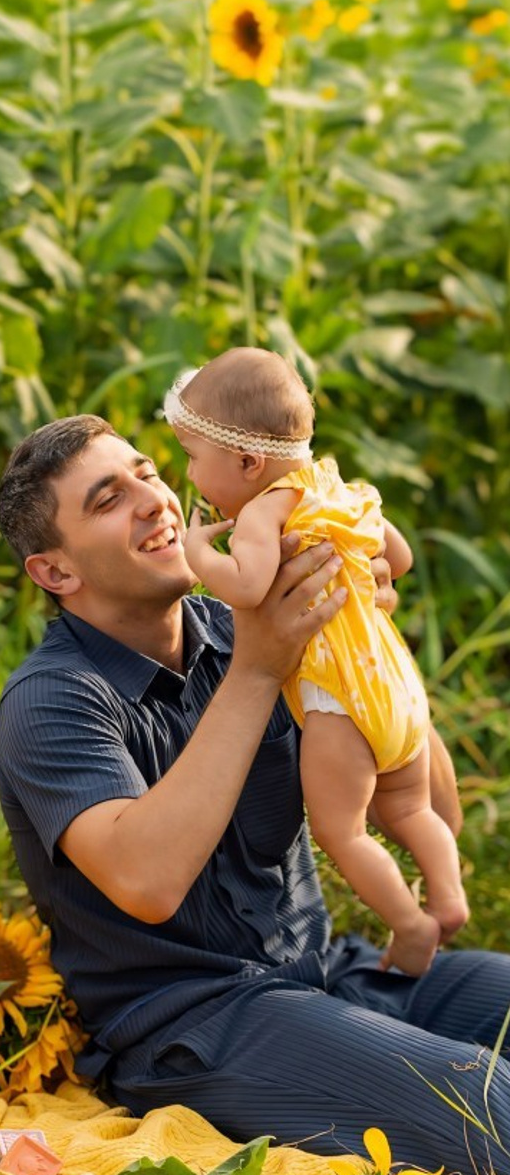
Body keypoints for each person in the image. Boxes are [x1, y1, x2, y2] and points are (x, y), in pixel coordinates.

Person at [0, 413, 510, 1175]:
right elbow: (148, 880)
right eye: (108, 498)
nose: (154, 499)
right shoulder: (52, 701)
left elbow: (432, 809)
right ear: (56, 573)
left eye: (148, 472)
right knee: (488, 1109)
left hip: (330, 974)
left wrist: (370, 655)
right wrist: (260, 671)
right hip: (196, 1027)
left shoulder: (241, 627)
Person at [165, 347, 466, 976]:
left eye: (194, 459)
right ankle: (448, 893)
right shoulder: (343, 491)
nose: (190, 478)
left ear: (247, 461)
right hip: (396, 684)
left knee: (343, 832)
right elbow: (399, 559)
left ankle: (411, 924)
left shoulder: (265, 511)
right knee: (410, 810)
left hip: (340, 700)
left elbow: (246, 587)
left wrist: (200, 553)